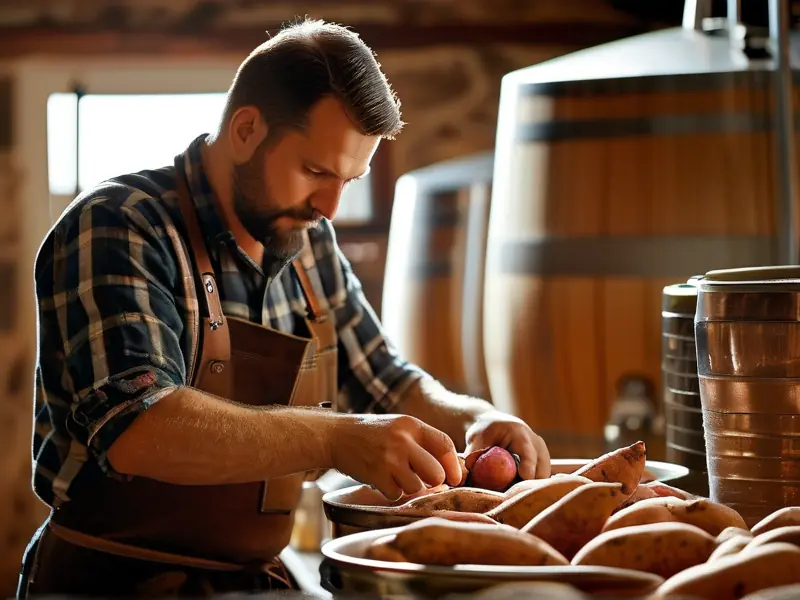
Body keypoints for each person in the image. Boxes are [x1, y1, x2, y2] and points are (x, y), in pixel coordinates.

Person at [19, 18, 550, 597]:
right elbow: (138, 426)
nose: (330, 206)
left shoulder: (307, 244)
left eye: (350, 179)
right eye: (316, 172)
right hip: (110, 581)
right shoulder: (120, 226)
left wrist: (472, 417)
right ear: (246, 130)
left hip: (250, 582)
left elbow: (385, 382)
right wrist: (333, 438)